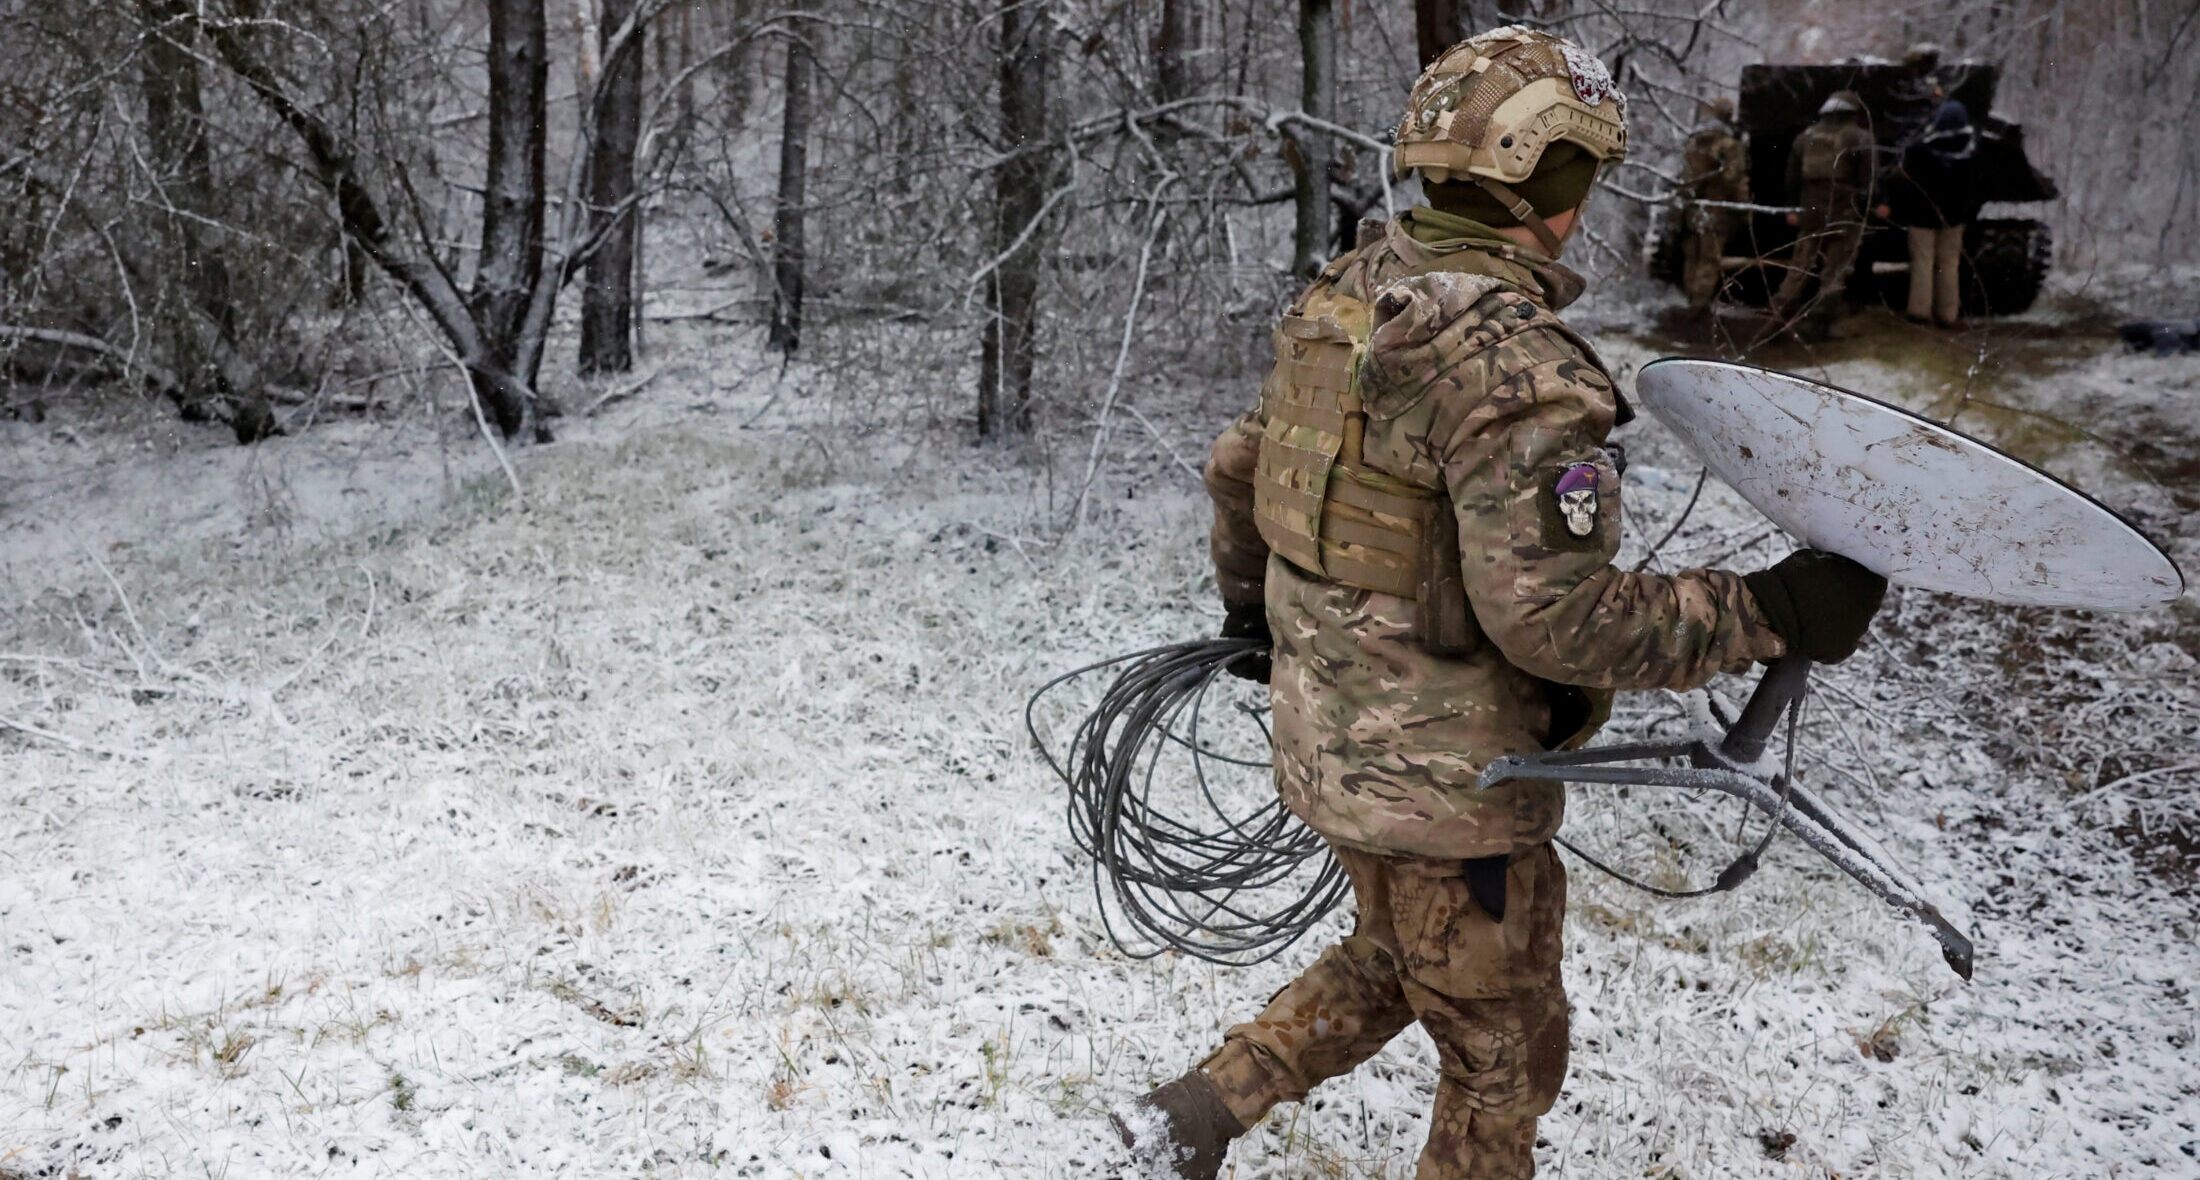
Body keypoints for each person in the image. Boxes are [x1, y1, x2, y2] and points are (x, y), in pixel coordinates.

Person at [1113, 26, 1888, 1180]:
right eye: (1580, 179)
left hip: (1330, 741)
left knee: (1397, 950)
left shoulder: (1348, 293)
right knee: (1506, 1051)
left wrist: (1251, 620)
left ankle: (1191, 1116)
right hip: (1451, 790)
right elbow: (1559, 622)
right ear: (1544, 182)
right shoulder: (1514, 364)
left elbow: (1239, 470)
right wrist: (1768, 609)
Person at [1770, 90, 1876, 334]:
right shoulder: (1860, 138)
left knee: (1800, 266)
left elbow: (1791, 181)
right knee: (1836, 270)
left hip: (1811, 212)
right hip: (1844, 213)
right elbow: (1867, 181)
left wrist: (1793, 208)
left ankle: (1779, 314)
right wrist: (1862, 210)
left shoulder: (1804, 138)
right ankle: (1821, 321)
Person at [1889, 98, 1982, 327]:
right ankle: (1948, 314)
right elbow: (1975, 187)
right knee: (1949, 265)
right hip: (1954, 217)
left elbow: (1903, 181)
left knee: (1923, 263)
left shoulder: (1918, 150)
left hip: (1921, 216)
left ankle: (1920, 312)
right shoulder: (1972, 152)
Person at [1679, 96, 1750, 313]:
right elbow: (1734, 179)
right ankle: (1698, 305)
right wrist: (1743, 208)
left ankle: (1690, 298)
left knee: (1692, 256)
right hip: (1716, 208)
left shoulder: (1695, 141)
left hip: (1692, 207)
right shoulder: (1729, 145)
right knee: (1709, 259)